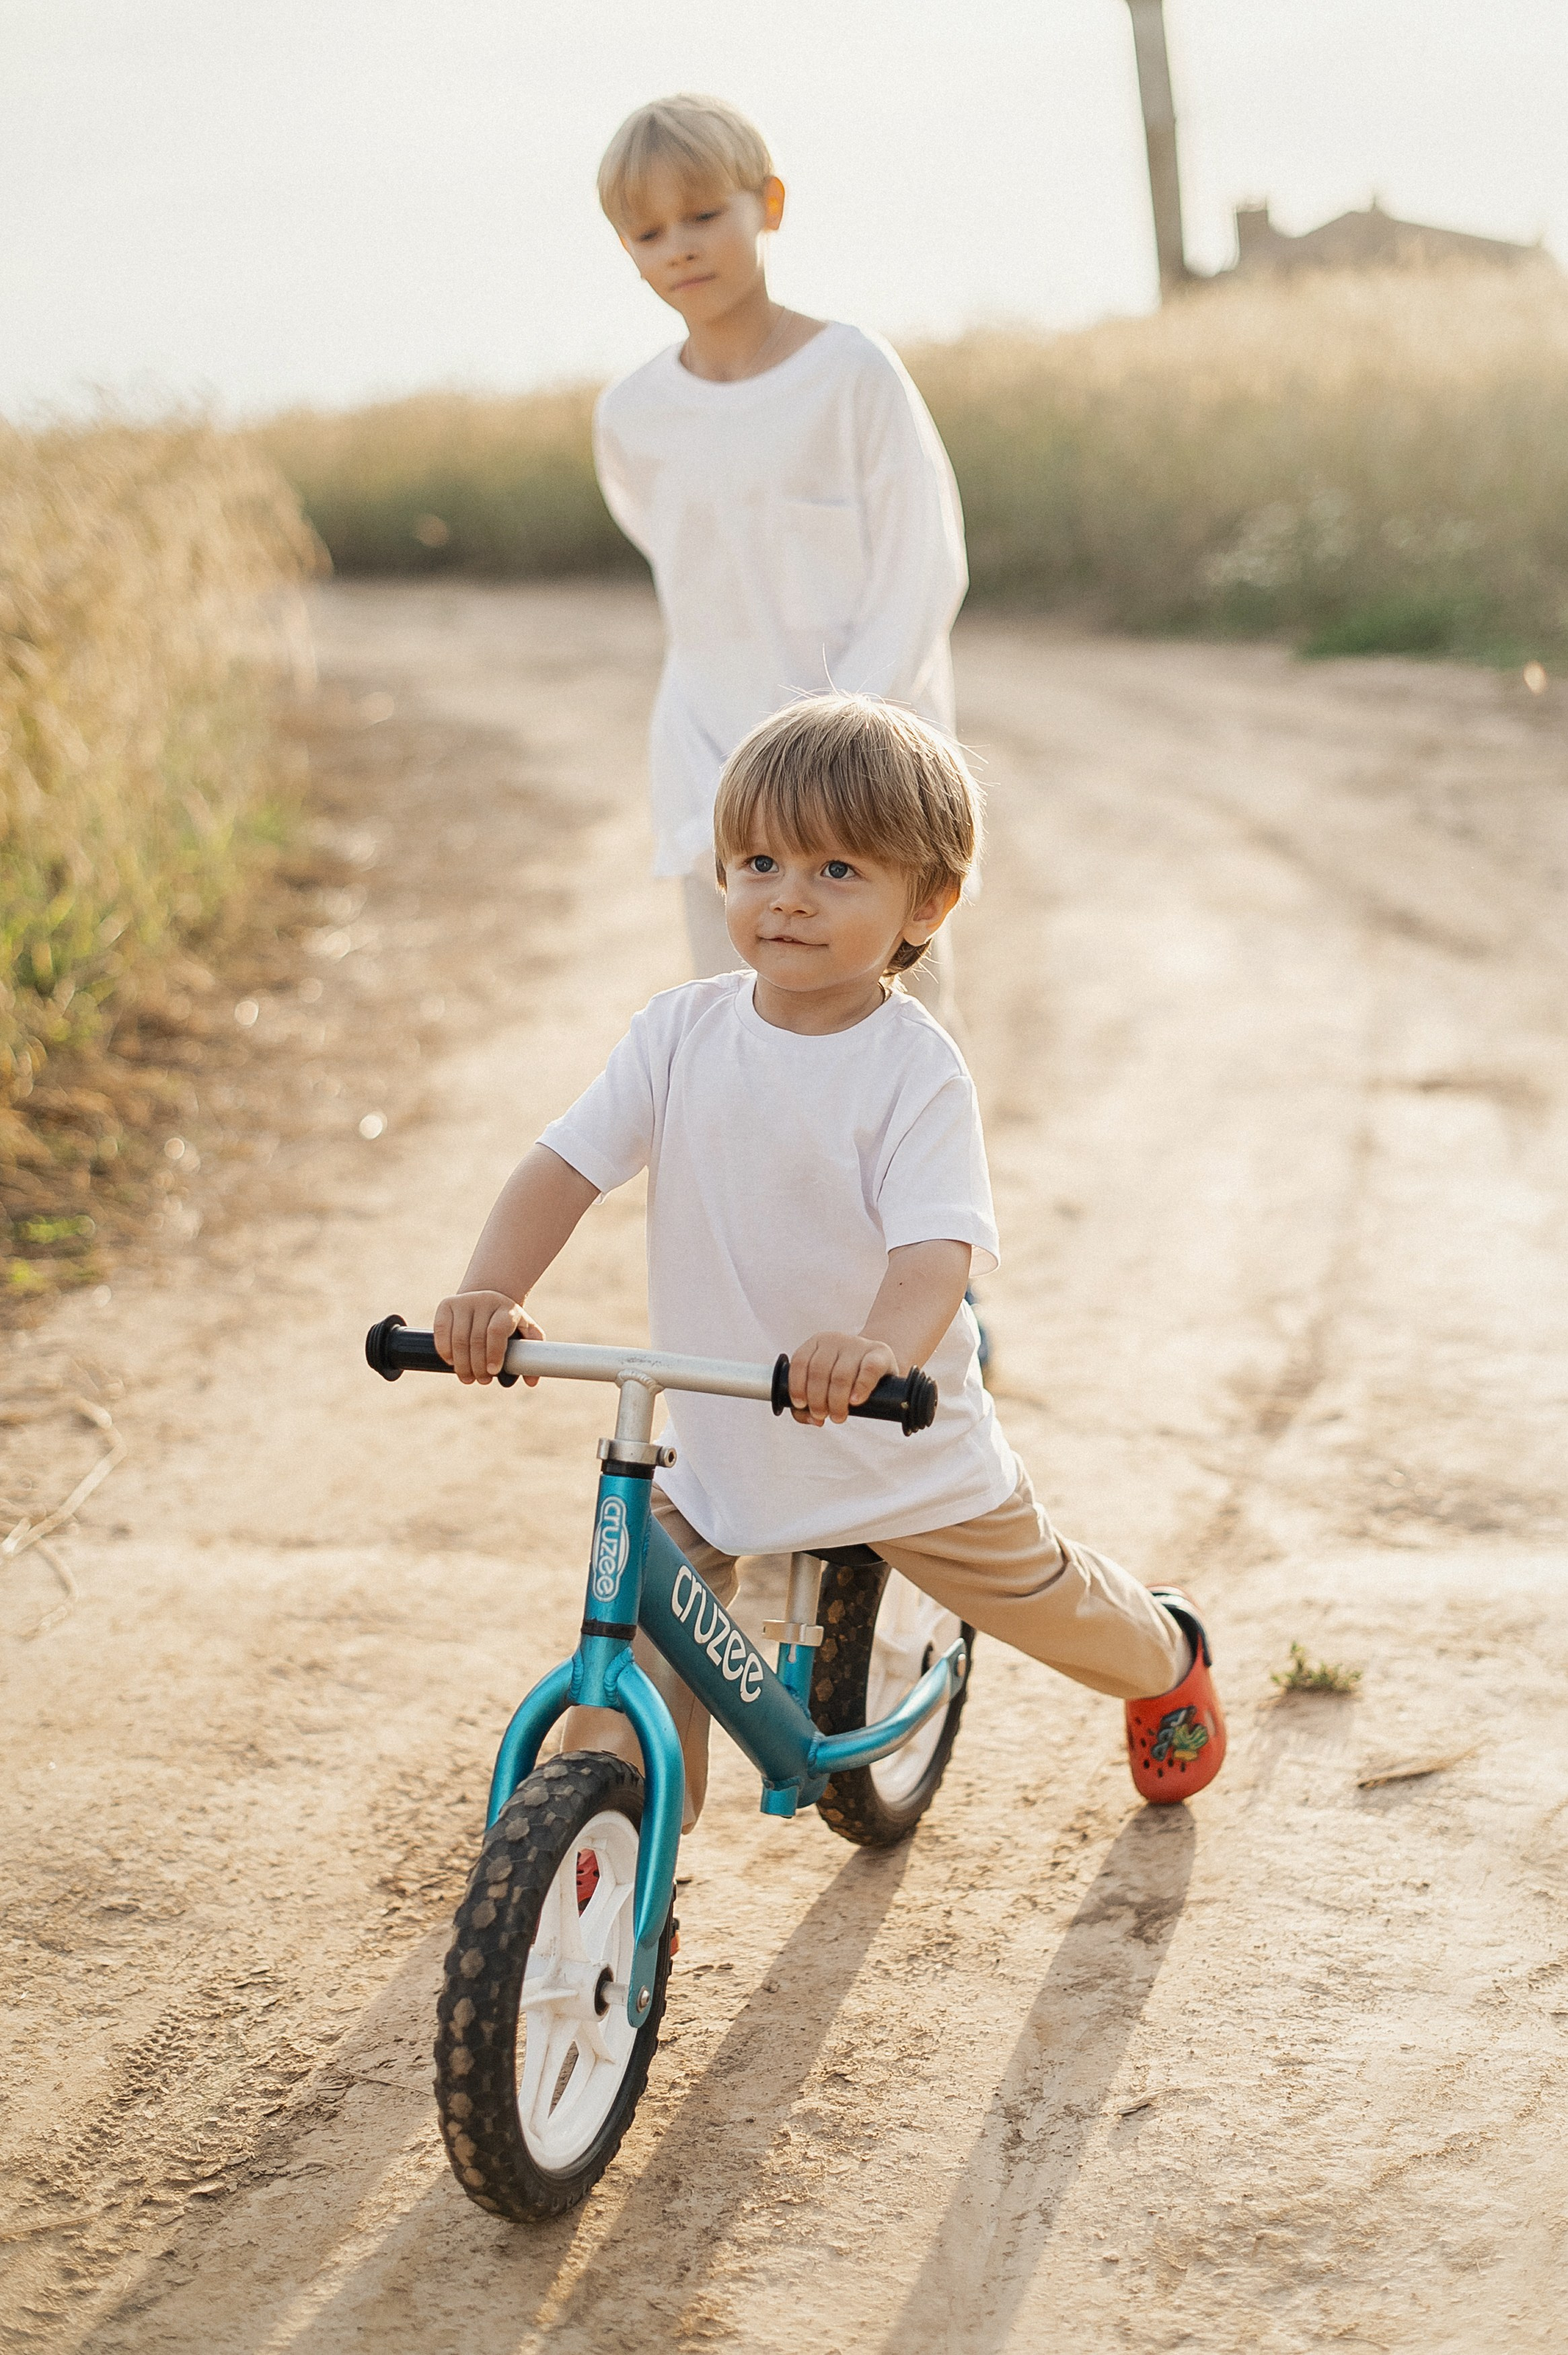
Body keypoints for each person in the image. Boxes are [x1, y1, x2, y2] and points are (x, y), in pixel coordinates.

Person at [433, 696, 1226, 1823]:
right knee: (634, 1651)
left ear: (931, 902)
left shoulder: (912, 1072)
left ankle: (1167, 1652)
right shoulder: (678, 1034)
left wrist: (873, 1354)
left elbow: (934, 1248)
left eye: (839, 869)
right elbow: (565, 1165)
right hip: (718, 1441)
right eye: (760, 861)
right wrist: (490, 1292)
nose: (789, 895)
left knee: (1052, 1605)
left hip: (894, 1447)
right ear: (722, 876)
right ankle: (618, 1840)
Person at [591, 92, 969, 1029]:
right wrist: (743, 786)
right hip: (713, 770)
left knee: (904, 1037)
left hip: (869, 772)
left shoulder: (853, 374)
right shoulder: (631, 415)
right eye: (647, 231)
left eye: (704, 214)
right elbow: (696, 595)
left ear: (770, 203)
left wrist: (832, 756)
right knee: (749, 1034)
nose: (678, 246)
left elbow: (923, 576)